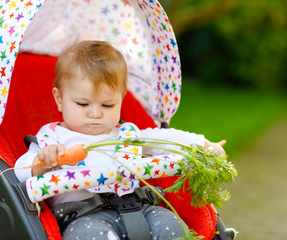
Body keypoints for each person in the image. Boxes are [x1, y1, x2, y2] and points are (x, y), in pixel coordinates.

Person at [15, 40, 226, 240]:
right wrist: (42, 163)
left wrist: (205, 146)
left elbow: (166, 139)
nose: (96, 113)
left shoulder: (127, 134)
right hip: (81, 215)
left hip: (140, 207)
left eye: (107, 105)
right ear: (59, 99)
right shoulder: (51, 138)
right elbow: (20, 171)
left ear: (121, 99)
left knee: (172, 226)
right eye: (83, 104)